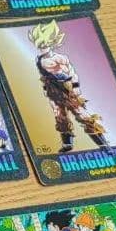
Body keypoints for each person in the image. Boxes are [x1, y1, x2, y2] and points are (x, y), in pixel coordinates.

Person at [27, 20, 108, 152]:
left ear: (51, 43)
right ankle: (67, 145)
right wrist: (46, 89)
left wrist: (75, 88)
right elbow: (43, 77)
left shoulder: (60, 58)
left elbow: (71, 73)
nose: (42, 47)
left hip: (67, 90)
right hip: (53, 92)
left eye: (44, 43)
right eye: (40, 44)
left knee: (82, 115)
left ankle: (103, 144)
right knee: (60, 116)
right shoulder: (38, 60)